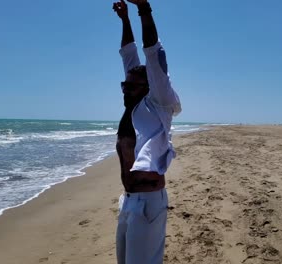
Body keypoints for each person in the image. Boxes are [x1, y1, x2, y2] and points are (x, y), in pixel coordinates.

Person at [112, 0, 182, 263]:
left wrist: (143, 9)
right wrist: (125, 20)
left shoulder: (158, 102)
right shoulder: (132, 107)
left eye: (131, 86)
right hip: (128, 200)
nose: (125, 90)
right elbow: (128, 53)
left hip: (148, 203)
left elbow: (152, 54)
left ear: (149, 86)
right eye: (124, 85)